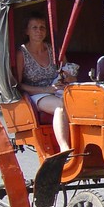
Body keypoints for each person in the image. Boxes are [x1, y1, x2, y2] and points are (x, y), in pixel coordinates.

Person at [15, 12, 73, 152]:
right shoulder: (21, 54)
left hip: (57, 89)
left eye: (42, 27)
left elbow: (68, 71)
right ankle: (64, 149)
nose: (39, 31)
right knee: (60, 106)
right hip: (36, 94)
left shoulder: (54, 50)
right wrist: (46, 90)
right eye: (34, 28)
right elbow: (18, 84)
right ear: (27, 31)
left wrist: (67, 78)